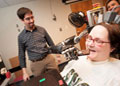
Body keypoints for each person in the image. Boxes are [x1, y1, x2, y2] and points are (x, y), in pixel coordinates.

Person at [17, 7, 58, 81]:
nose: (31, 20)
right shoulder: (21, 37)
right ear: (22, 20)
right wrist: (24, 72)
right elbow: (21, 55)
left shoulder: (42, 30)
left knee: (57, 78)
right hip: (36, 64)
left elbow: (51, 44)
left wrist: (58, 54)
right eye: (28, 19)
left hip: (48, 59)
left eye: (32, 17)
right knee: (42, 82)